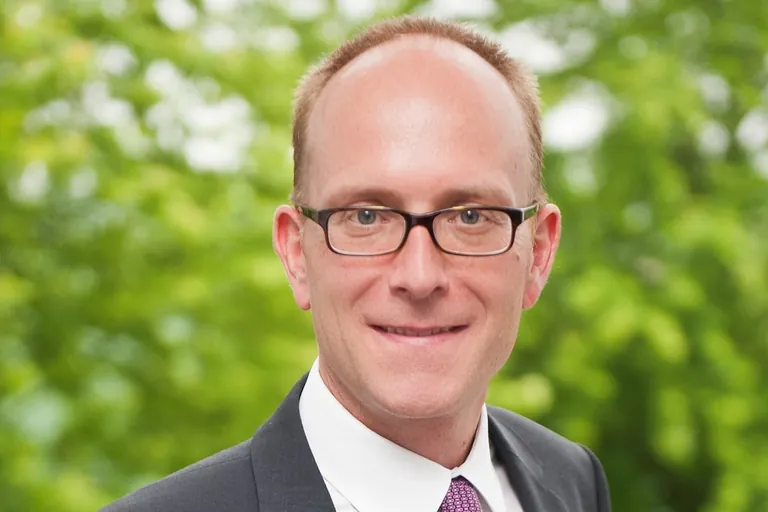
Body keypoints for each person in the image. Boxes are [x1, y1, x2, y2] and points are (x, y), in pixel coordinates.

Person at [102, 15, 611, 512]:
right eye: (367, 217)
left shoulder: (571, 481)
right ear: (296, 254)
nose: (419, 276)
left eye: (470, 216)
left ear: (539, 252)